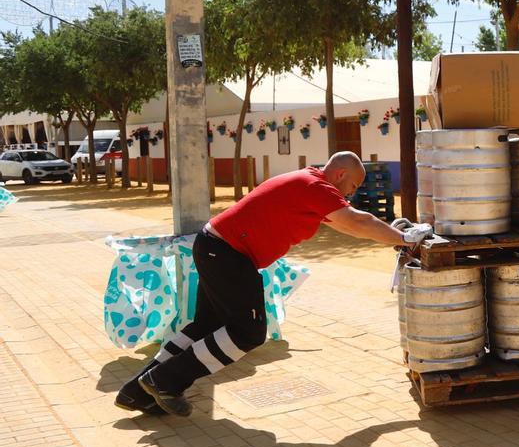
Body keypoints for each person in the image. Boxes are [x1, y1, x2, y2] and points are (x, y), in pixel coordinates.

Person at [116, 152, 421, 417]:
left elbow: (352, 227)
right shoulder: (316, 187)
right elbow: (357, 221)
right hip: (228, 253)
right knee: (247, 333)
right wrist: (406, 238)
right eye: (352, 187)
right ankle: (165, 381)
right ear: (340, 175)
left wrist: (391, 234)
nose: (351, 195)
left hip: (215, 246)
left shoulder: (309, 184)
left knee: (205, 325)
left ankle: (136, 392)